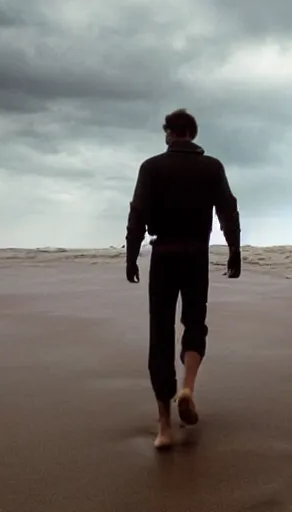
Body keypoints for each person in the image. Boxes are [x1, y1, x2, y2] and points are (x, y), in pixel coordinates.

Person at [125, 108, 242, 450]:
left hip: (163, 256)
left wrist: (132, 255)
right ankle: (187, 387)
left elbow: (138, 213)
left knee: (159, 334)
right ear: (193, 133)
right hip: (196, 257)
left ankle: (164, 426)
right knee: (194, 322)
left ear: (169, 134)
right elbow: (228, 209)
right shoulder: (212, 167)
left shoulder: (151, 167)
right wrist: (234, 249)